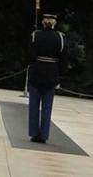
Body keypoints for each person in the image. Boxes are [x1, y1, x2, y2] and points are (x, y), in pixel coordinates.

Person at [27, 13, 66, 143]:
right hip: (52, 73)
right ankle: (44, 135)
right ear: (54, 23)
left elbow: (30, 56)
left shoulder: (35, 35)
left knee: (33, 105)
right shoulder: (60, 37)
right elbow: (64, 59)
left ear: (43, 22)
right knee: (47, 106)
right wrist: (60, 78)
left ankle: (34, 133)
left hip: (37, 72)